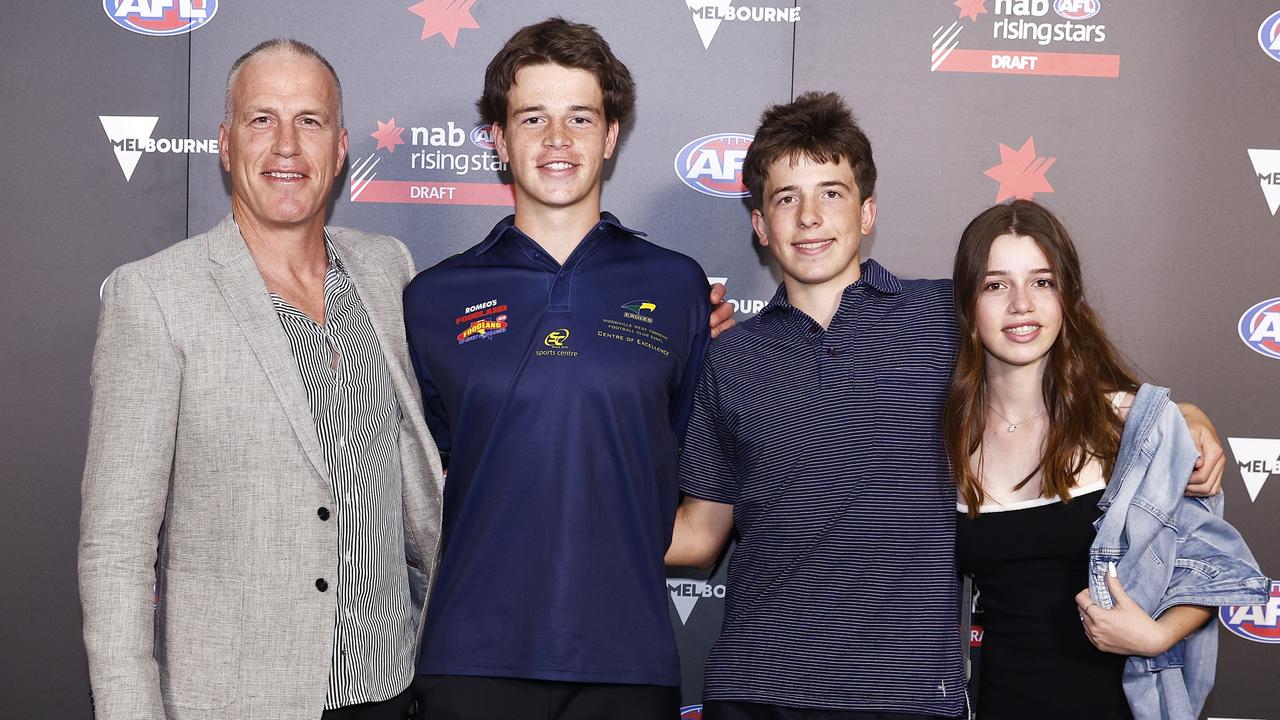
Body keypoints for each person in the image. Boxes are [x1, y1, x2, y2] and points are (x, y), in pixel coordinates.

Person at [663, 92, 1226, 720]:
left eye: (832, 192)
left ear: (868, 211)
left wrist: (1188, 419)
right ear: (760, 226)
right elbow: (699, 535)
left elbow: (1070, 376)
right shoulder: (730, 358)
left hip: (908, 696)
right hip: (756, 687)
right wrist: (564, 525)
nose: (810, 217)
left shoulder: (945, 318)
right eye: (786, 198)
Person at [79, 39, 443, 720]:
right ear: (225, 143)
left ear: (339, 150)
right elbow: (116, 544)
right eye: (261, 119)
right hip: (240, 700)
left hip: (395, 686)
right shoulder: (155, 295)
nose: (285, 145)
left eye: (309, 121)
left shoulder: (389, 268)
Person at [402, 18, 727, 720]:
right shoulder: (431, 298)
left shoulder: (677, 288)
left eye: (580, 117)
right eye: (533, 118)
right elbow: (424, 479)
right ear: (497, 139)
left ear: (610, 137)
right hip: (472, 659)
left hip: (629, 661)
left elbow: (691, 470)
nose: (557, 140)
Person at [946, 200, 1268, 720]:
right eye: (995, 284)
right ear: (968, 302)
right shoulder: (947, 438)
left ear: (1067, 296)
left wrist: (1157, 634)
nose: (1021, 304)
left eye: (1042, 282)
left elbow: (1220, 568)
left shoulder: (1130, 427)